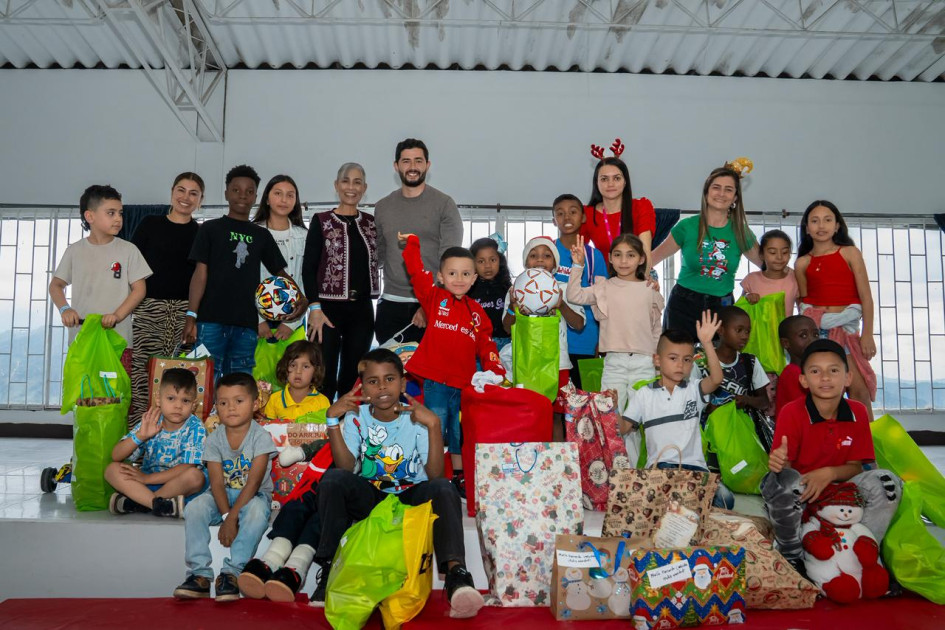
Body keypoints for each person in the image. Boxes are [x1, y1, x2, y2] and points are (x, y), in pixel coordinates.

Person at [312, 349, 485, 618]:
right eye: (373, 381)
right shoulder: (357, 416)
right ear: (362, 387)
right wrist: (333, 421)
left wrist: (434, 426)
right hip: (372, 497)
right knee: (333, 478)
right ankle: (330, 572)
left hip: (410, 498)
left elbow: (436, 475)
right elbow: (347, 468)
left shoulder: (416, 416)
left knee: (444, 487)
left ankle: (456, 576)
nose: (382, 387)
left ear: (403, 383)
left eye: (390, 379)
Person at [762, 339, 902, 573]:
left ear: (848, 378)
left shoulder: (857, 411)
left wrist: (828, 473)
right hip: (806, 491)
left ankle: (865, 550)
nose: (825, 377)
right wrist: (779, 461)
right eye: (816, 371)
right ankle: (793, 556)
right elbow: (785, 467)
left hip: (844, 490)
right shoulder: (792, 412)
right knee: (778, 481)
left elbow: (857, 466)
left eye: (833, 370)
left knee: (887, 482)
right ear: (804, 380)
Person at [400, 233, 505, 494]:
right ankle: (428, 475)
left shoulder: (477, 313)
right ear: (441, 276)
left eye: (466, 274)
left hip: (464, 384)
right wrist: (414, 242)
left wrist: (494, 369)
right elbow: (415, 272)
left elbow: (487, 345)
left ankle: (459, 477)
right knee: (433, 425)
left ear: (474, 278)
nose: (459, 279)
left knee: (458, 431)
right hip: (435, 381)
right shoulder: (434, 299)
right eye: (453, 273)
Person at [182, 165, 306, 385]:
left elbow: (280, 272)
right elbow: (200, 274)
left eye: (249, 191)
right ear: (227, 193)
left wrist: (301, 298)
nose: (242, 195)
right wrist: (192, 315)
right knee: (203, 380)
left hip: (247, 325)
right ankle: (204, 421)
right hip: (210, 320)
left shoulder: (261, 234)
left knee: (240, 382)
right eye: (236, 190)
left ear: (256, 197)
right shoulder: (210, 228)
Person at [49, 184, 152, 425]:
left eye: (121, 213)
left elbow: (140, 289)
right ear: (90, 216)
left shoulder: (128, 250)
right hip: (83, 341)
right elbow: (56, 286)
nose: (119, 219)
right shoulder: (75, 251)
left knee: (116, 399)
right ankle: (85, 454)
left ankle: (116, 455)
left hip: (118, 341)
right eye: (111, 212)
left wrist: (116, 315)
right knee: (85, 399)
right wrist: (65, 309)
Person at [173, 373, 277, 602]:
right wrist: (226, 514)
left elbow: (254, 482)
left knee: (258, 512)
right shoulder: (214, 439)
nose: (231, 408)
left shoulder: (260, 438)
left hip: (253, 495)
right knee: (195, 507)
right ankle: (199, 575)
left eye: (239, 401)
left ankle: (232, 572)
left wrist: (231, 520)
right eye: (223, 402)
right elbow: (217, 482)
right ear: (216, 406)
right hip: (222, 495)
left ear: (255, 404)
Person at [619, 313, 735, 509]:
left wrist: (707, 343)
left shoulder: (694, 389)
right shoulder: (644, 394)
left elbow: (716, 379)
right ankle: (683, 507)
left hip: (695, 469)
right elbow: (622, 428)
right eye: (673, 358)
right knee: (651, 496)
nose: (680, 365)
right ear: (657, 360)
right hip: (660, 469)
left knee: (726, 499)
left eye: (687, 360)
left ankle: (682, 506)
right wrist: (609, 406)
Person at [651, 166, 762, 340]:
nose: (721, 194)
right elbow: (651, 259)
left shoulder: (741, 231)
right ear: (706, 192)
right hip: (683, 305)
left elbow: (769, 268)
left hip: (721, 308)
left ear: (735, 198)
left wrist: (751, 289)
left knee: (716, 364)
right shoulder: (686, 227)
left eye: (728, 189)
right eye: (716, 187)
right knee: (678, 361)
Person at [129, 173, 203, 427]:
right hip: (149, 307)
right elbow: (132, 267)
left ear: (201, 200)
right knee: (143, 374)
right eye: (181, 190)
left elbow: (203, 278)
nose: (186, 197)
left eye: (193, 193)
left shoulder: (201, 233)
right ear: (172, 192)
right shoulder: (150, 224)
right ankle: (137, 439)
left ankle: (176, 438)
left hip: (186, 313)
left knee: (179, 378)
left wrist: (194, 316)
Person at [374, 139, 463, 345]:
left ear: (427, 165)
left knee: (430, 375)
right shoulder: (382, 207)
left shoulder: (444, 204)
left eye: (418, 161)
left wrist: (429, 303)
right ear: (396, 166)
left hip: (430, 305)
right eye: (406, 161)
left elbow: (451, 261)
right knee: (389, 373)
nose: (412, 167)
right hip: (390, 304)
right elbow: (378, 255)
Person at [302, 163, 378, 401]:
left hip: (362, 309)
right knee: (322, 374)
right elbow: (308, 268)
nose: (351, 187)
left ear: (364, 188)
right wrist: (314, 307)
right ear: (336, 185)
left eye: (357, 182)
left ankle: (348, 429)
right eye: (346, 181)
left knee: (354, 374)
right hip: (326, 310)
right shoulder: (321, 220)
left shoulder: (371, 223)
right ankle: (319, 428)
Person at [795, 200, 877, 421]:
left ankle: (868, 449)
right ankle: (831, 448)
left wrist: (868, 334)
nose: (821, 225)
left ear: (837, 225)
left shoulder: (850, 253)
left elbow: (866, 298)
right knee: (825, 395)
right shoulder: (802, 262)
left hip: (848, 331)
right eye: (815, 220)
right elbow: (803, 305)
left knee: (859, 391)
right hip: (819, 333)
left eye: (827, 219)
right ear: (807, 227)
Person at [566, 233, 661, 414]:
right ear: (610, 258)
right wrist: (578, 265)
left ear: (641, 259)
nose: (623, 261)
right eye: (617, 254)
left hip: (645, 362)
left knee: (641, 419)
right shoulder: (604, 287)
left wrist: (657, 363)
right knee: (609, 416)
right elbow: (573, 295)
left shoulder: (650, 288)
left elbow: (656, 328)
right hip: (613, 363)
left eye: (630, 255)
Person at [503, 236, 586, 440]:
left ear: (556, 264)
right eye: (533, 255)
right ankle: (529, 459)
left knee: (556, 416)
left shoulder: (564, 289)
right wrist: (513, 309)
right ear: (525, 262)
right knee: (526, 414)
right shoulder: (516, 289)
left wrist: (561, 305)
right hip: (525, 364)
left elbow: (579, 324)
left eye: (547, 255)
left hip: (558, 365)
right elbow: (507, 328)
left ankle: (555, 464)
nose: (540, 259)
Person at [105, 368, 208, 517]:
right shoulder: (151, 420)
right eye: (171, 398)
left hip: (176, 485)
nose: (178, 406)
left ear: (194, 405)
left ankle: (139, 503)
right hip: (146, 482)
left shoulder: (196, 427)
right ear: (158, 400)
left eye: (185, 400)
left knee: (196, 476)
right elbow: (116, 455)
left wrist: (147, 479)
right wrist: (140, 436)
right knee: (111, 470)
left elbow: (187, 467)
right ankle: (160, 505)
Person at [553, 194, 608, 389]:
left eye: (573, 212)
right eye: (560, 213)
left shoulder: (594, 256)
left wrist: (603, 340)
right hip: (552, 345)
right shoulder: (547, 253)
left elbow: (604, 301)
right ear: (554, 220)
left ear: (583, 217)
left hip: (586, 342)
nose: (567, 217)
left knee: (585, 408)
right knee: (555, 411)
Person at [701, 306, 773, 452]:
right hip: (708, 436)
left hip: (743, 436)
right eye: (739, 330)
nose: (745, 336)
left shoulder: (750, 362)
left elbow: (765, 402)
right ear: (721, 330)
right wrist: (712, 408)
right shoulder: (701, 361)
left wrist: (746, 400)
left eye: (747, 331)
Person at [252, 174, 308, 341]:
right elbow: (243, 280)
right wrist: (259, 320)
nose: (284, 199)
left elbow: (308, 278)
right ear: (267, 199)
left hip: (294, 321)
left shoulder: (304, 236)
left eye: (290, 195)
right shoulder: (252, 233)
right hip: (256, 322)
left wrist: (291, 323)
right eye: (278, 193)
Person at [581, 149, 656, 271]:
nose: (610, 184)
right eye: (604, 179)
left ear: (625, 181)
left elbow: (645, 252)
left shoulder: (641, 207)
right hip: (603, 281)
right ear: (596, 183)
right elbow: (576, 252)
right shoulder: (588, 213)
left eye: (616, 178)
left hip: (638, 277)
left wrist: (639, 284)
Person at [263, 340, 330, 423]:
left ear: (316, 371)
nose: (298, 371)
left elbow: (327, 431)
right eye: (293, 365)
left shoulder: (322, 401)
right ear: (285, 367)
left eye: (305, 366)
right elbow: (268, 430)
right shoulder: (274, 399)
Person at [740, 229, 798, 317]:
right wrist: (748, 297)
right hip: (757, 330)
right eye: (772, 252)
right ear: (761, 255)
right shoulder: (751, 279)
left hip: (785, 330)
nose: (779, 257)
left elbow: (803, 309)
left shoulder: (795, 278)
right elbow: (741, 308)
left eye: (785, 252)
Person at [469, 236, 512, 352]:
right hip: (476, 344)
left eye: (492, 260)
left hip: (505, 344)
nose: (487, 266)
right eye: (481, 261)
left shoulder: (508, 288)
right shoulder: (467, 289)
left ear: (500, 261)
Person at [774, 315, 819, 419]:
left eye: (815, 334)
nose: (812, 340)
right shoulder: (792, 373)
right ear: (786, 343)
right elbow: (810, 411)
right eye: (803, 336)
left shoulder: (807, 373)